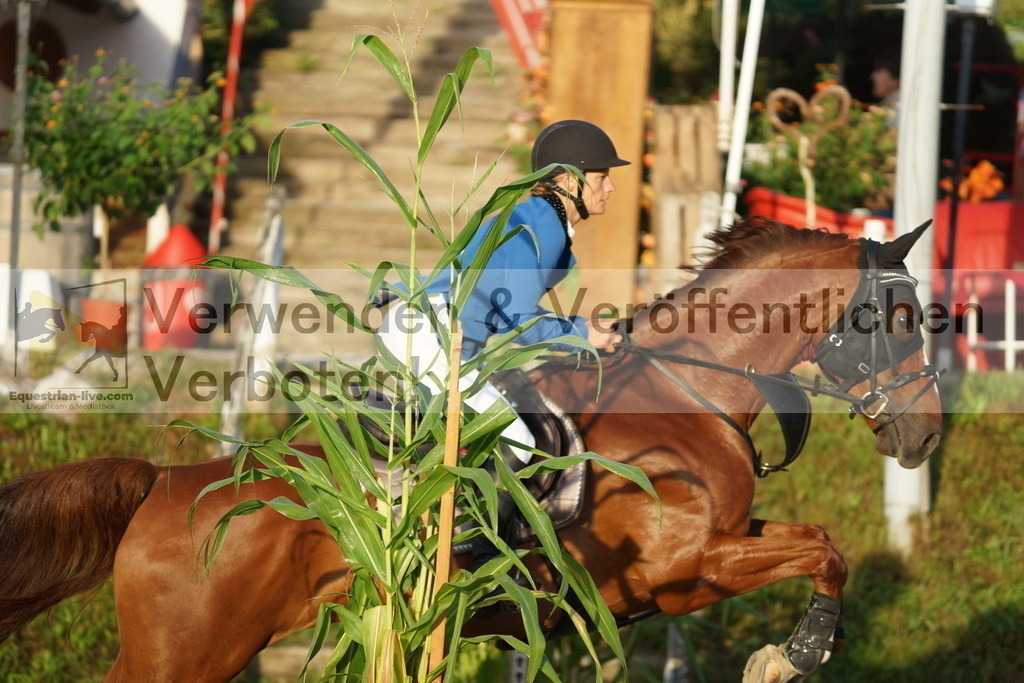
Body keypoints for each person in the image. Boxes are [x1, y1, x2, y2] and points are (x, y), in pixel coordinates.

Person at [376, 119, 628, 572]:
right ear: (570, 181)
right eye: (602, 177)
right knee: (519, 437)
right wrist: (582, 335)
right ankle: (483, 562)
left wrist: (579, 326)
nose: (610, 187)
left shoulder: (535, 216)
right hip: (432, 335)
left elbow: (513, 313)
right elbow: (522, 325)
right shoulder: (545, 226)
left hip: (432, 330)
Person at [870, 49, 901, 129]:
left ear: (895, 79)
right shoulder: (886, 102)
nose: (873, 76)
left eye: (879, 71)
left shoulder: (902, 105)